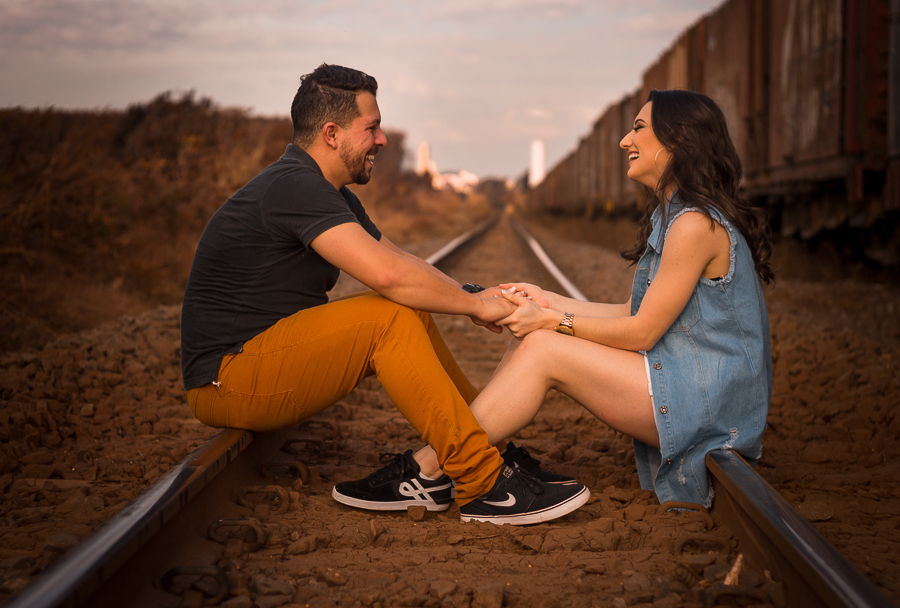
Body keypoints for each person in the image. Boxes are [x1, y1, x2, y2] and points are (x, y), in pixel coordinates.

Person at [180, 63, 589, 525]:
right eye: (371, 127)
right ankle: (481, 482)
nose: (383, 140)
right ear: (331, 133)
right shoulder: (294, 187)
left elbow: (403, 262)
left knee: (407, 312)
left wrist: (472, 294)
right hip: (227, 379)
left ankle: (483, 446)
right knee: (389, 317)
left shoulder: (324, 190)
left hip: (260, 356)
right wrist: (475, 306)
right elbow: (388, 276)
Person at [341, 88, 772, 509]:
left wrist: (551, 323)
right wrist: (546, 301)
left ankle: (427, 468)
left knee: (544, 346)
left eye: (639, 128)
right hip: (691, 385)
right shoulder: (677, 215)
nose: (626, 140)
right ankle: (466, 457)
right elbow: (632, 311)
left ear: (677, 140)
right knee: (535, 338)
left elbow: (642, 330)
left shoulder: (694, 224)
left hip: (710, 406)